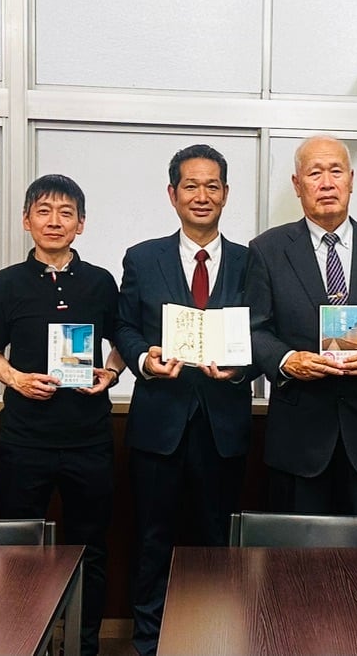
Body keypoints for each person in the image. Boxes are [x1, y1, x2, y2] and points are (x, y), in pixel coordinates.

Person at [114, 144, 253, 656]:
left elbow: (262, 331)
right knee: (153, 541)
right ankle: (149, 644)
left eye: (212, 185)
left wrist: (243, 367)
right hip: (160, 425)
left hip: (223, 426)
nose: (202, 195)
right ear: (172, 194)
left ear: (226, 194)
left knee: (216, 543)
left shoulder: (249, 261)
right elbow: (124, 326)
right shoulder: (142, 257)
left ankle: (213, 641)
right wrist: (143, 359)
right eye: (191, 186)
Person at [245, 134, 357, 518]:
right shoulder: (267, 250)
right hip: (299, 438)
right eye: (315, 173)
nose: (326, 183)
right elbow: (255, 328)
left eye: (336, 171)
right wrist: (287, 360)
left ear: (351, 179)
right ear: (297, 185)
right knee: (296, 554)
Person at [0, 174, 123, 656]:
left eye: (66, 213)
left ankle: (84, 646)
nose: (54, 221)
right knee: (18, 549)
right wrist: (16, 379)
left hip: (89, 439)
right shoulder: (4, 284)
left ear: (81, 224)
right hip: (25, 439)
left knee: (92, 548)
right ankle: (25, 644)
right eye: (43, 211)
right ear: (26, 220)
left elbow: (123, 339)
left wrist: (110, 372)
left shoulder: (101, 282)